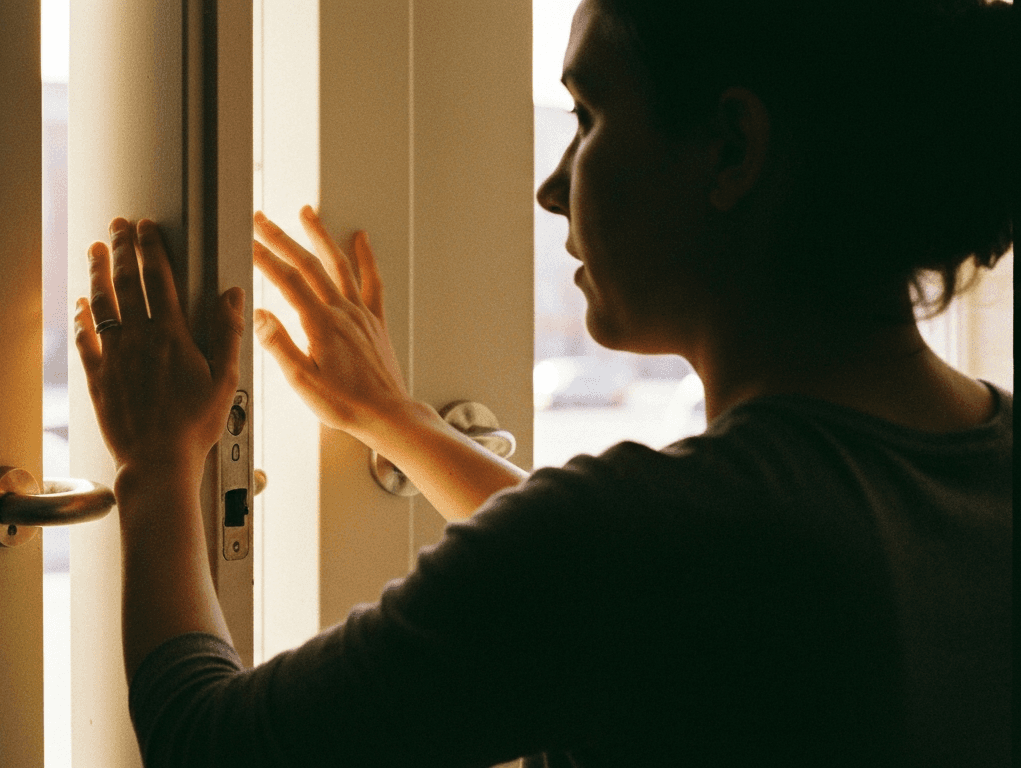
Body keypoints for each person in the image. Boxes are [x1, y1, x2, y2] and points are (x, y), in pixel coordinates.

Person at [72, 0, 1013, 764]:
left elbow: (210, 745)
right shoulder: (971, 476)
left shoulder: (645, 541)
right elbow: (636, 591)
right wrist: (396, 422)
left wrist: (156, 470)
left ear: (731, 149)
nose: (553, 188)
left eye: (588, 116)